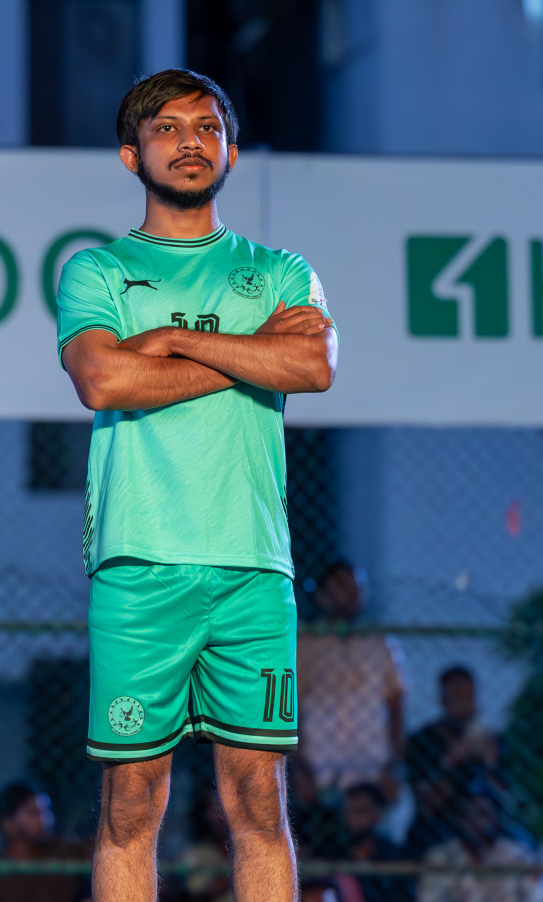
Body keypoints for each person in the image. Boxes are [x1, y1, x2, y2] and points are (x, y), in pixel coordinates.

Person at [56, 68, 338, 902]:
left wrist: (172, 339)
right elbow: (103, 381)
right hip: (138, 564)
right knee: (130, 803)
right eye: (168, 128)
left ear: (232, 151)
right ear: (130, 154)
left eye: (207, 128)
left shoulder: (283, 270)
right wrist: (248, 355)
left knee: (257, 799)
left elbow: (313, 364)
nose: (190, 142)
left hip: (253, 567)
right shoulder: (95, 270)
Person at [297, 562, 407, 801]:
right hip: (320, 761)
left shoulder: (380, 642)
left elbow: (396, 704)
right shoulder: (305, 643)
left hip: (372, 761)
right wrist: (297, 765)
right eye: (342, 586)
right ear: (323, 594)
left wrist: (394, 764)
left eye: (357, 587)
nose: (352, 595)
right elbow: (289, 707)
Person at [406, 667, 508, 854]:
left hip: (487, 827)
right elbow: (427, 802)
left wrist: (489, 762)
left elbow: (506, 797)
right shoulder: (422, 741)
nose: (465, 704)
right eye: (457, 696)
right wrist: (456, 759)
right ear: (444, 700)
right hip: (440, 826)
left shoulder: (493, 741)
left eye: (469, 696)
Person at [416, 787, 539, 902]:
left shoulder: (516, 856)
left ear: (495, 820)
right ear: (461, 819)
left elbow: (534, 895)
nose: (474, 820)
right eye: (468, 813)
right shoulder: (438, 857)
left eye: (482, 813)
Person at [0, 780, 85, 902]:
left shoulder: (67, 852)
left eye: (47, 811)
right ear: (8, 822)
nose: (45, 820)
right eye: (32, 813)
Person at [326, 783, 413, 902]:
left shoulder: (394, 856)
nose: (352, 818)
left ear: (377, 815)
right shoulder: (332, 853)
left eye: (360, 811)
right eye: (347, 811)